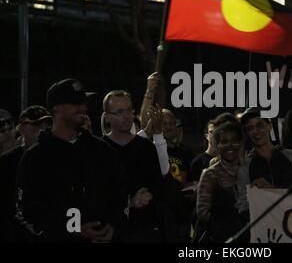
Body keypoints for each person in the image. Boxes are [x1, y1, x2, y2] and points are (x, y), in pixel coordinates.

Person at [16, 79, 127, 242]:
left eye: (84, 102)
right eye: (75, 103)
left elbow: (121, 194)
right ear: (56, 108)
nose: (83, 108)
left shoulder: (102, 150)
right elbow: (26, 213)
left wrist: (114, 225)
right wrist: (73, 229)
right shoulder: (36, 157)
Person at [101, 90, 169, 242]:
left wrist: (150, 194)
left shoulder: (146, 147)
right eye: (119, 112)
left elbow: (159, 186)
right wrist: (129, 203)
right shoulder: (98, 150)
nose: (126, 116)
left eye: (129, 110)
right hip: (111, 231)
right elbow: (98, 193)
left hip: (145, 230)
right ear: (107, 118)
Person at [236, 107, 292, 215]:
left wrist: (271, 191)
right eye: (250, 128)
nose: (256, 131)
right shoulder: (245, 168)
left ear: (269, 126)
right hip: (264, 230)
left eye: (260, 125)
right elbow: (243, 207)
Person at [0, 106, 51, 242]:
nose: (41, 129)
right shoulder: (6, 161)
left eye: (45, 124)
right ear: (21, 128)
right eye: (35, 124)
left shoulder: (54, 159)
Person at [195, 121, 248, 243]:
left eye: (234, 141)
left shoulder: (250, 170)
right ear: (217, 145)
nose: (230, 146)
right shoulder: (210, 174)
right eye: (224, 142)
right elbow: (202, 213)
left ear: (240, 143)